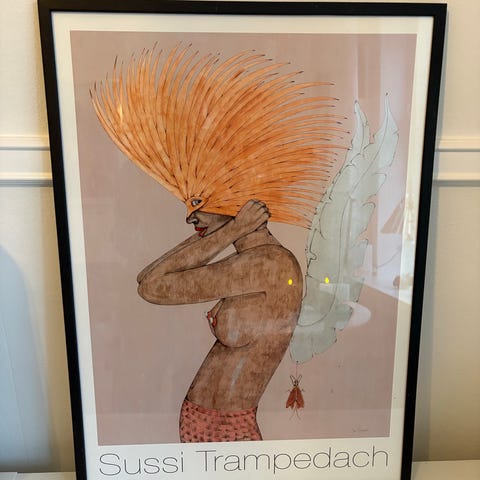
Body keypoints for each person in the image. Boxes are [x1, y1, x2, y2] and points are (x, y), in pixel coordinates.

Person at [91, 44, 343, 442]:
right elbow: (145, 279)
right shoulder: (255, 259)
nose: (190, 217)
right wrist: (230, 230)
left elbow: (154, 286)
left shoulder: (270, 265)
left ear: (235, 199)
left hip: (227, 429)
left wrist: (229, 230)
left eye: (198, 203)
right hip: (212, 425)